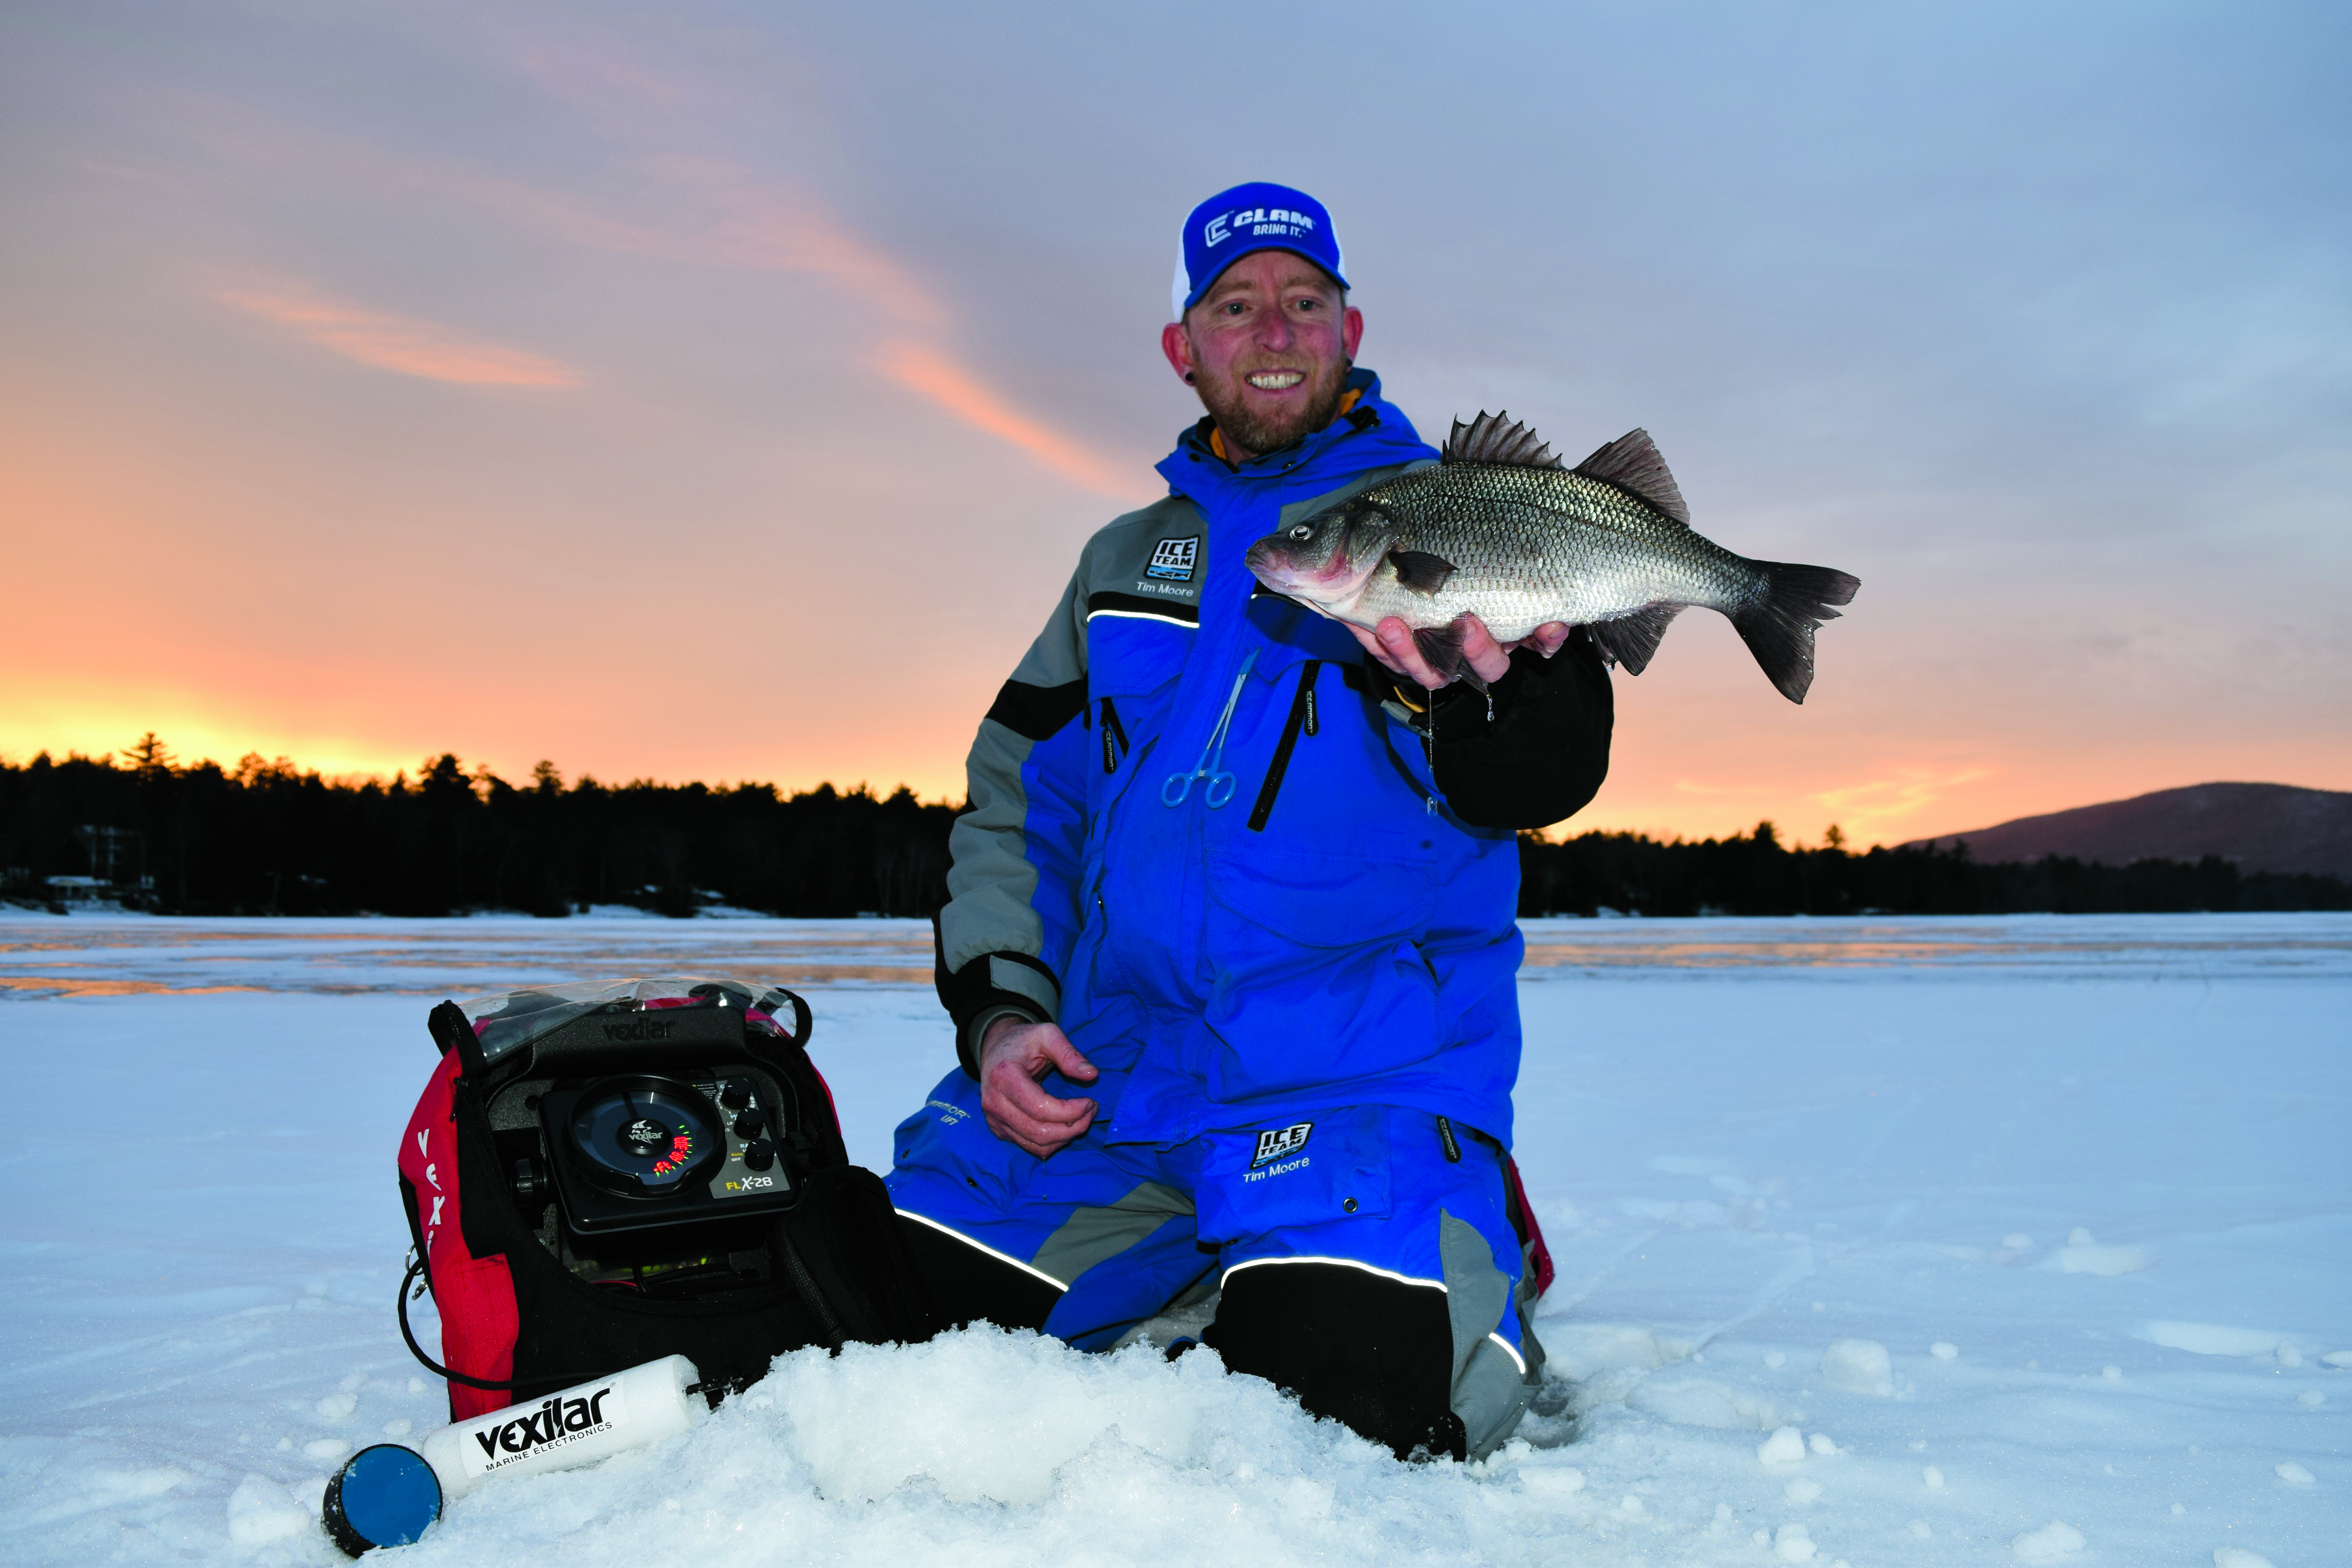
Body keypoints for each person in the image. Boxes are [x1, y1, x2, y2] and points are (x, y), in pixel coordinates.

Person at [884, 182, 1613, 1461]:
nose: (1273, 330)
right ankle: (1184, 1272)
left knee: (1341, 1425)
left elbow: (1540, 770)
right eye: (1235, 306)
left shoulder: (1442, 520)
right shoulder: (1121, 564)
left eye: (1304, 301)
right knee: (881, 1344)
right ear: (1184, 347)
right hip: (1112, 1092)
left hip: (1355, 1091)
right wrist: (1003, 1014)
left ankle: (1460, 1242)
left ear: (1350, 327)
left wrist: (1517, 706)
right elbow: (1019, 800)